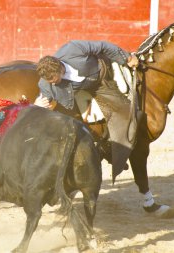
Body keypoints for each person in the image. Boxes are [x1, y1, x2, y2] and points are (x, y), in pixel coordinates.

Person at [34, 40, 139, 180]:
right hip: (78, 94)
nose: (52, 83)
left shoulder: (72, 49)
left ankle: (121, 152)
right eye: (50, 82)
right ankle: (104, 150)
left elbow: (103, 46)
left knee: (125, 112)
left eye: (54, 79)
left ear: (60, 68)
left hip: (102, 79)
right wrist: (38, 104)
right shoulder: (45, 83)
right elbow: (44, 102)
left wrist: (127, 57)